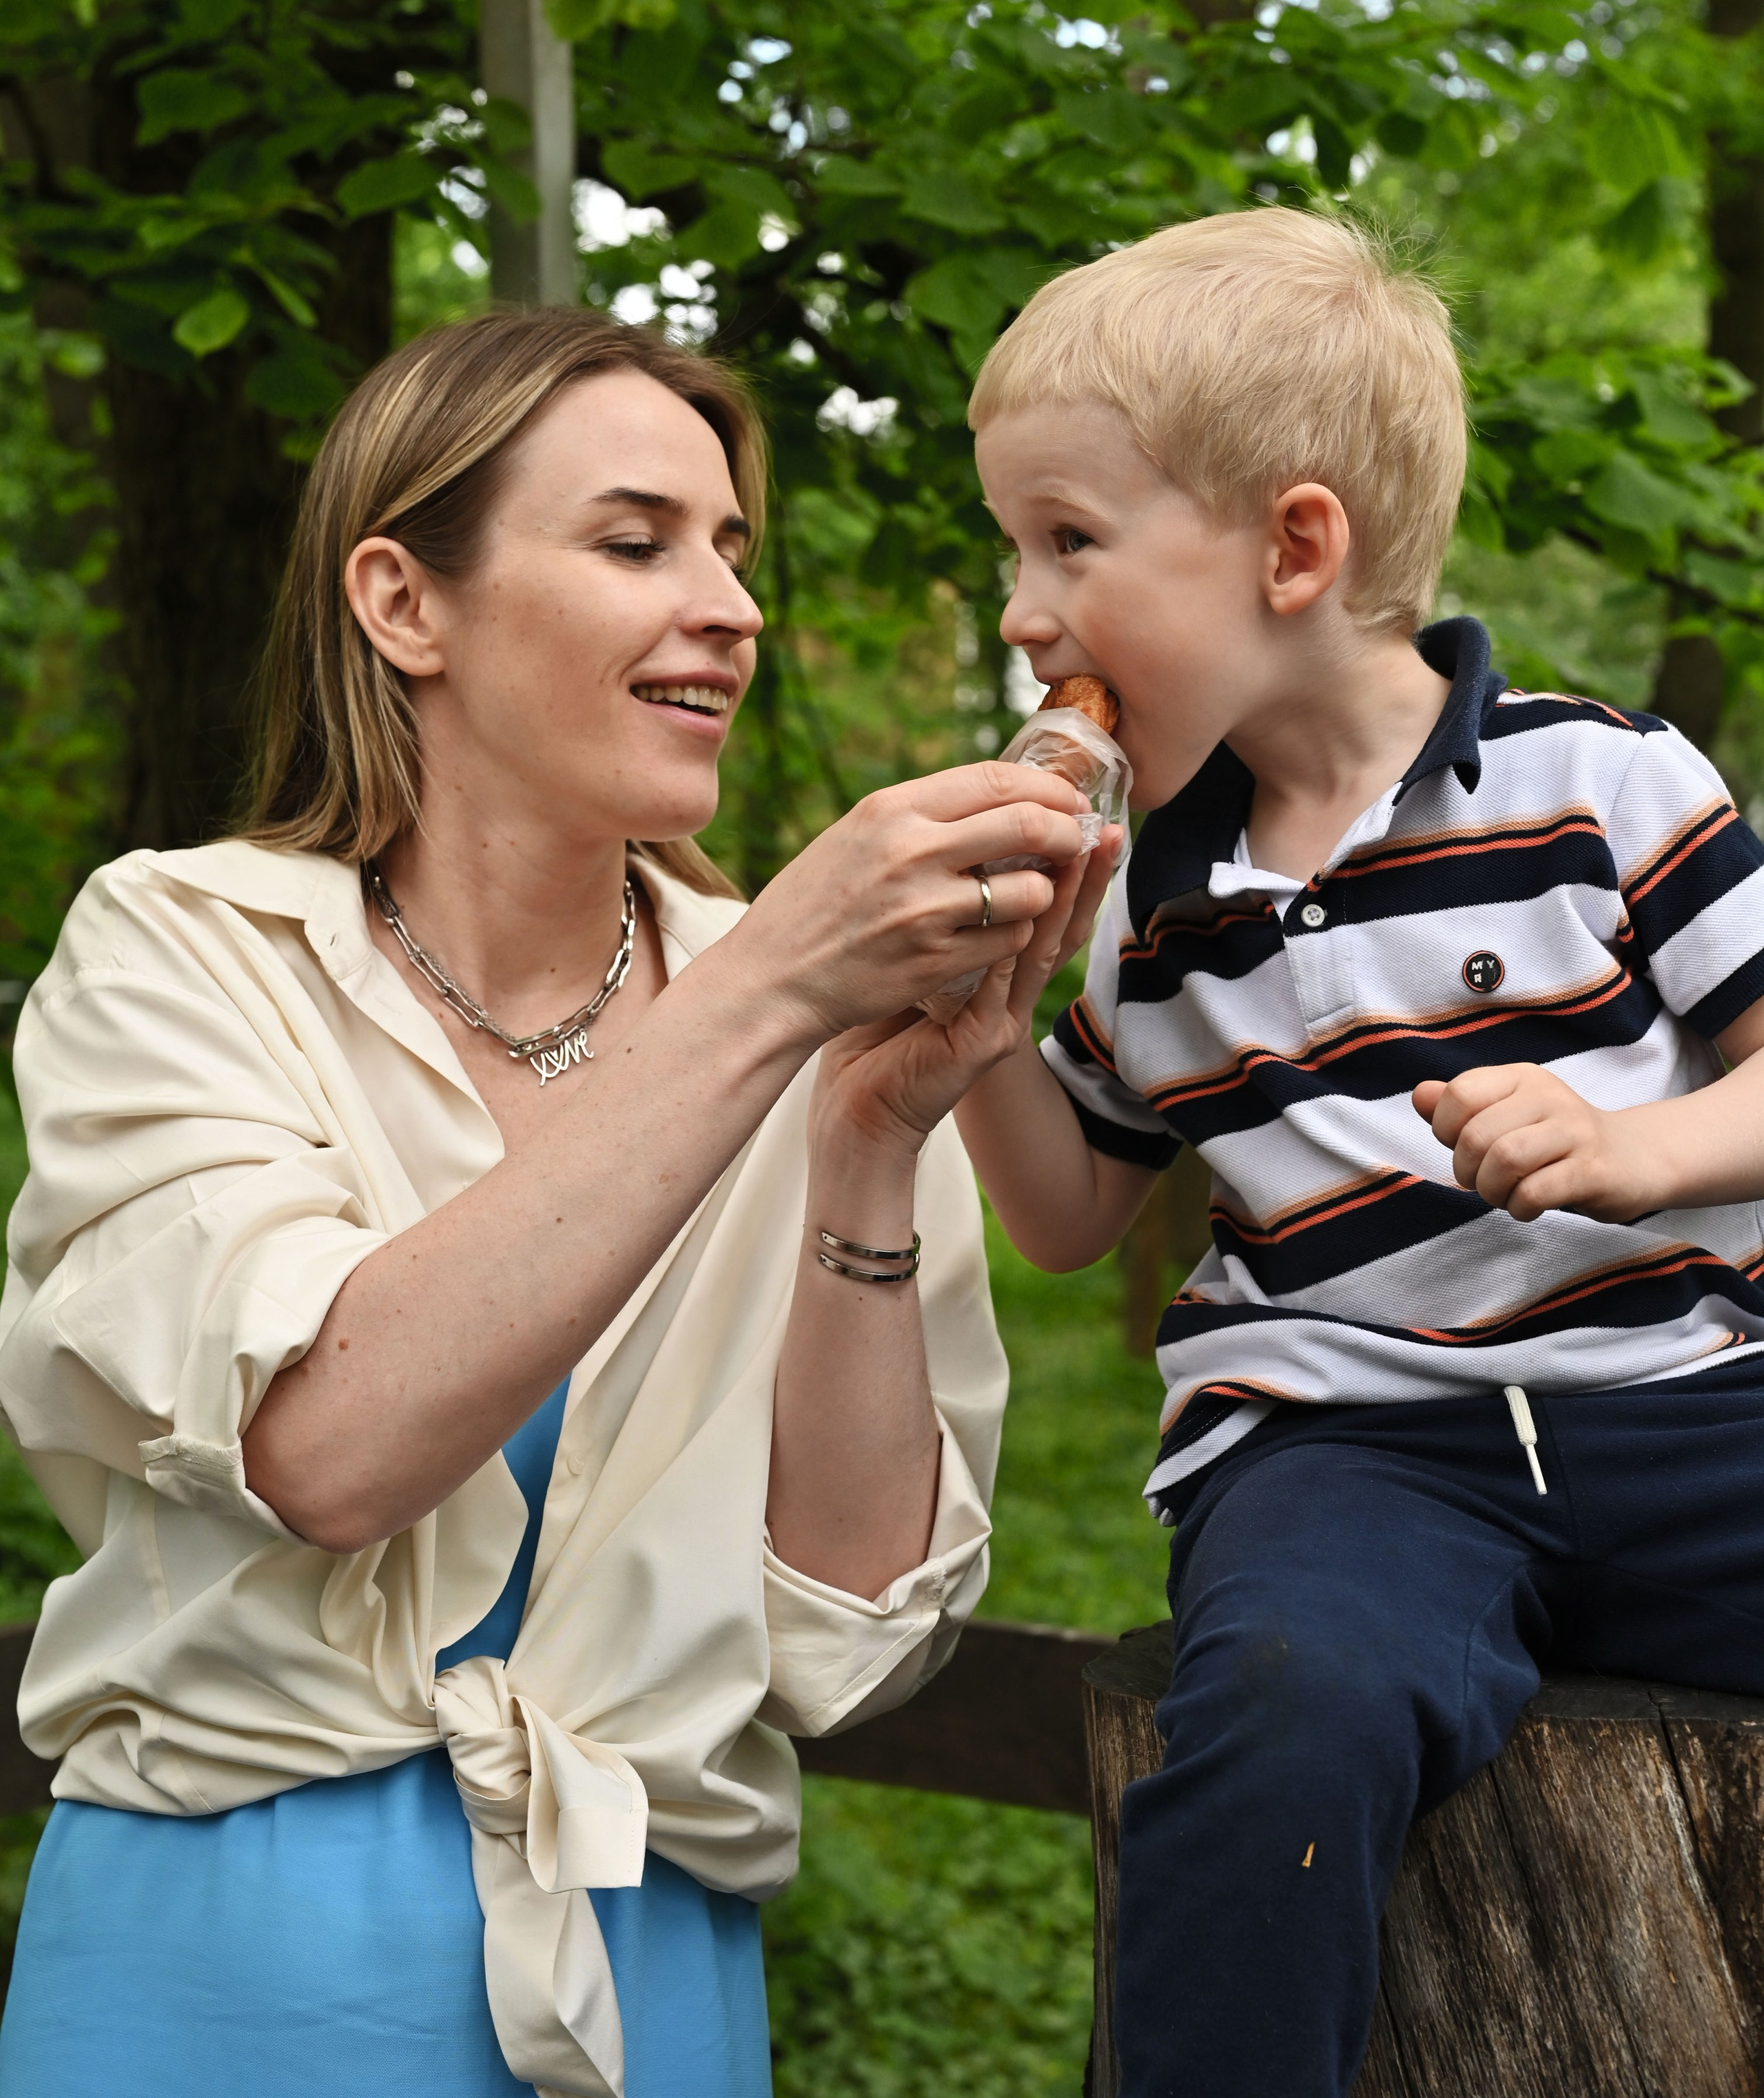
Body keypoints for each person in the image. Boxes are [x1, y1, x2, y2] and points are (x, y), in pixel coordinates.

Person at [0, 307, 1103, 2098]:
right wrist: (774, 996)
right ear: (402, 602)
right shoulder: (184, 951)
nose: (733, 610)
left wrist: (874, 1141)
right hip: (220, 1968)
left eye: (734, 553)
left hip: (651, 1961)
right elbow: (327, 1446)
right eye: (635, 542)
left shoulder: (813, 1003)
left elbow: (849, 1627)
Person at [932, 209, 1764, 2097]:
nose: (1018, 610)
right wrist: (981, 1036)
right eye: (1011, 547)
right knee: (1280, 1718)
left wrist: (1640, 1152)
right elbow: (1070, 1219)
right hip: (1355, 1445)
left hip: (1688, 1400)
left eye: (1068, 541)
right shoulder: (1146, 905)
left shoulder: (1605, 790)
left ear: (1294, 549)